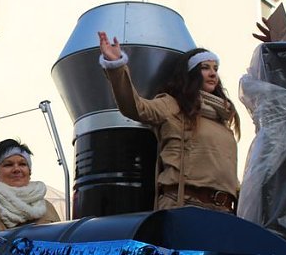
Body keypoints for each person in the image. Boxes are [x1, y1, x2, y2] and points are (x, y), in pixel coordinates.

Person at [97, 32, 240, 212]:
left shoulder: (222, 118)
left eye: (215, 68)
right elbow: (136, 107)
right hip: (185, 205)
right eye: (205, 68)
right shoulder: (174, 105)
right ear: (192, 73)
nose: (213, 74)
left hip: (225, 211)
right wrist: (116, 66)